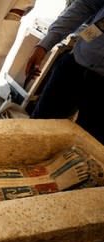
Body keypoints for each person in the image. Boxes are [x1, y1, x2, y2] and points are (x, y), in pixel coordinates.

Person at [26, 0, 104, 145]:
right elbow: (87, 4)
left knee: (90, 150)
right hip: (76, 63)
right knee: (36, 134)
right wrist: (44, 45)